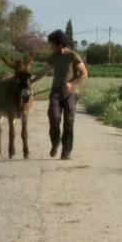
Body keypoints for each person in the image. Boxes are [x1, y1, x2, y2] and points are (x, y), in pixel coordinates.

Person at [32, 29, 88, 159]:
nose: (51, 46)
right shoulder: (53, 57)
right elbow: (43, 72)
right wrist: (31, 81)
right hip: (55, 93)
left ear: (60, 43)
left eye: (52, 44)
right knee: (54, 118)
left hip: (70, 94)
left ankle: (66, 151)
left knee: (69, 121)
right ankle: (55, 142)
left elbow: (84, 74)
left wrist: (72, 83)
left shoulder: (73, 56)